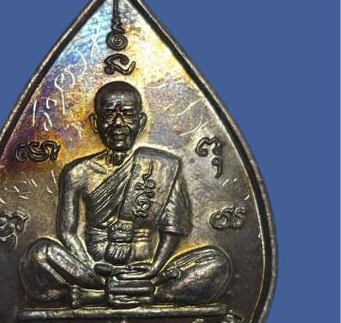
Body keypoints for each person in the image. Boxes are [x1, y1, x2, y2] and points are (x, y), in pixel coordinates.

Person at [19, 81, 231, 308]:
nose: (118, 123)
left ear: (141, 122)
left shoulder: (162, 166)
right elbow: (67, 231)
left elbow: (173, 228)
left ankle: (112, 295)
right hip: (94, 272)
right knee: (39, 255)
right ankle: (132, 292)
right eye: (109, 114)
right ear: (96, 123)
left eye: (128, 114)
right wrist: (91, 267)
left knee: (217, 262)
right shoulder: (78, 173)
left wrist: (155, 267)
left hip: (147, 272)